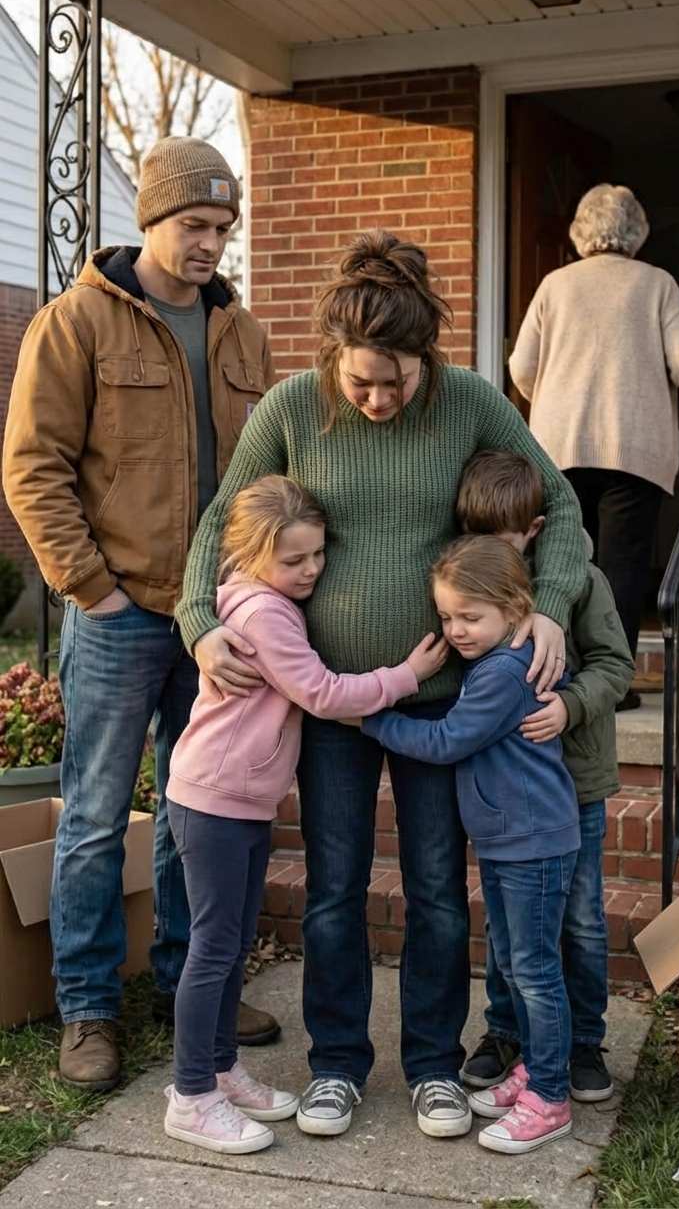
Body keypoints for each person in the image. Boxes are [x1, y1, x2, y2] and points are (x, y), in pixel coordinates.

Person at [175, 228, 588, 1140]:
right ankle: (337, 1066)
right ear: (334, 353)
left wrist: (549, 605)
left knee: (439, 889)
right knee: (333, 887)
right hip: (332, 708)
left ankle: (435, 1067)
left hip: (442, 705)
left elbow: (558, 504)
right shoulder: (291, 407)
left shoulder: (470, 400)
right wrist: (202, 627)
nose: (377, 396)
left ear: (426, 356)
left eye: (395, 379)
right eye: (361, 379)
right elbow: (219, 524)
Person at [2, 137, 280, 1092]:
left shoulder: (243, 334)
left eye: (221, 226)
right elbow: (33, 469)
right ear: (150, 223)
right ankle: (88, 1009)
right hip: (119, 614)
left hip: (217, 618)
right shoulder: (75, 323)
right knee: (92, 815)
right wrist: (95, 590)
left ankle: (182, 984)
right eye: (193, 225)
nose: (209, 243)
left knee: (188, 812)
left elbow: (265, 478)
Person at [163, 473, 446, 1153]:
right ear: (253, 553)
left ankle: (223, 1067)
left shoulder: (268, 601)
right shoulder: (262, 614)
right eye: (295, 559)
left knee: (230, 946)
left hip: (239, 799)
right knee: (213, 949)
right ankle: (191, 1094)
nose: (312, 569)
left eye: (318, 554)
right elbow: (320, 693)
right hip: (215, 800)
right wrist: (406, 676)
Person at [362, 535, 580, 1153]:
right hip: (511, 840)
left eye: (469, 617)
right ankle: (532, 1073)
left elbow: (447, 741)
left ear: (515, 607)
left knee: (535, 971)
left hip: (533, 841)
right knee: (514, 962)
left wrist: (371, 718)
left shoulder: (505, 672)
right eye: (447, 616)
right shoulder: (496, 658)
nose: (455, 630)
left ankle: (550, 1096)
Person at [454, 450, 634, 1104]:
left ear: (533, 530)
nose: (488, 551)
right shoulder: (473, 587)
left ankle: (582, 1040)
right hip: (509, 792)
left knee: (581, 919)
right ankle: (507, 1032)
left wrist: (569, 705)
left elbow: (617, 665)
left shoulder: (581, 581)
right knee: (509, 921)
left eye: (501, 540)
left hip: (575, 782)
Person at [509, 184, 679, 708]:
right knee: (621, 565)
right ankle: (612, 684)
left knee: (563, 559)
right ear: (638, 232)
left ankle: (557, 674)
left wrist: (556, 400)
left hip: (557, 447)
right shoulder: (656, 283)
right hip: (633, 449)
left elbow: (520, 366)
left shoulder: (554, 285)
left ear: (580, 230)